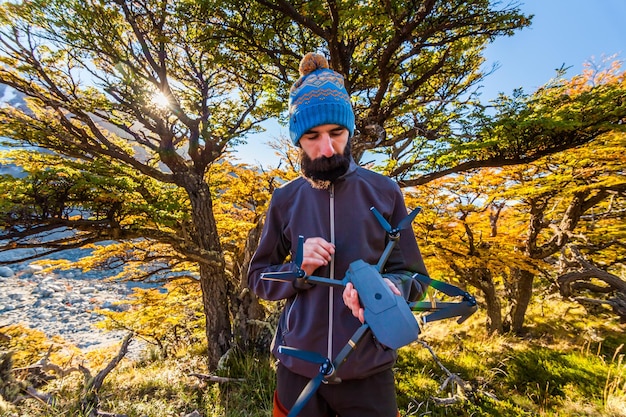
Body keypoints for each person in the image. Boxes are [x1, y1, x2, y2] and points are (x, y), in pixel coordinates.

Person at [247, 52, 429, 417]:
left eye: (337, 133)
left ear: (350, 131)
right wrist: (298, 270)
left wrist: (391, 288)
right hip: (297, 371)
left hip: (369, 373)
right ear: (297, 138)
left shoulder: (384, 191)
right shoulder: (285, 199)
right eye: (313, 136)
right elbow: (257, 278)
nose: (326, 148)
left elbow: (416, 278)